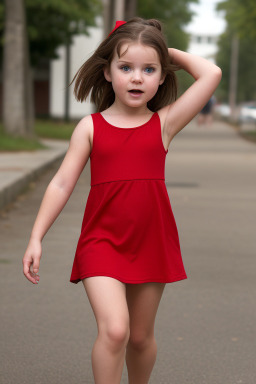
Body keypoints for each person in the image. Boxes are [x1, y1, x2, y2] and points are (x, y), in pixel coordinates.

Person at [23, 18, 221, 384]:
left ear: (162, 76)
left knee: (141, 337)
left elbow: (211, 72)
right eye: (126, 67)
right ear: (108, 72)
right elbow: (62, 183)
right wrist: (36, 236)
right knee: (115, 330)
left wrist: (161, 48)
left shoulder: (164, 123)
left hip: (151, 240)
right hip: (101, 241)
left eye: (149, 69)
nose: (136, 77)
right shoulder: (90, 127)